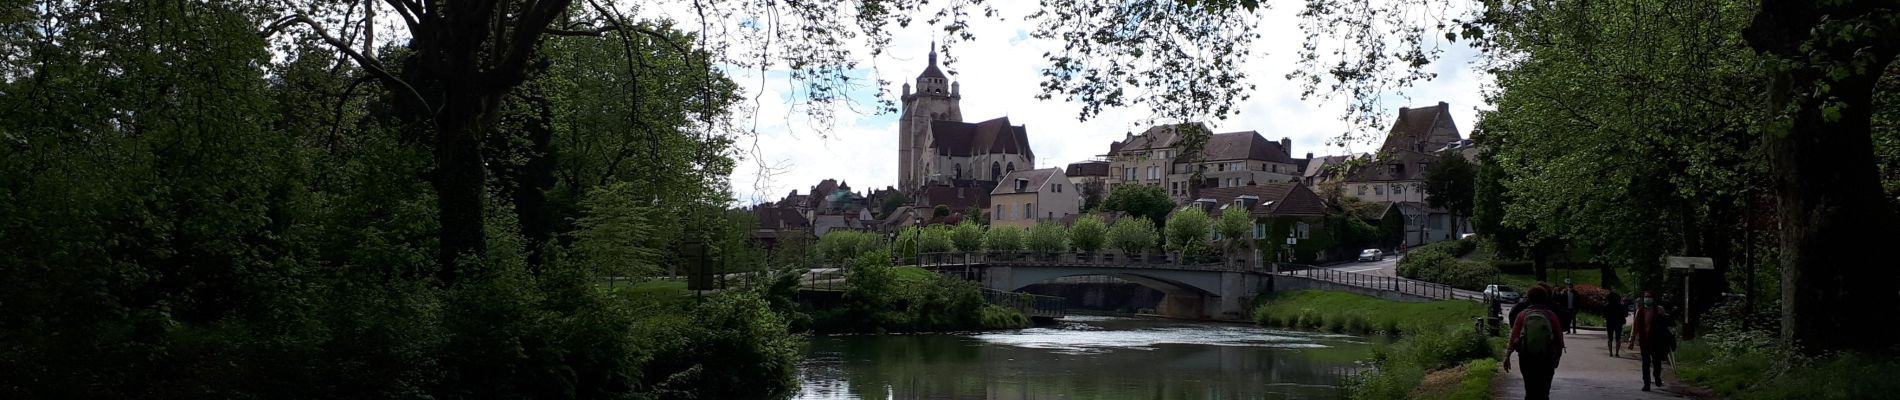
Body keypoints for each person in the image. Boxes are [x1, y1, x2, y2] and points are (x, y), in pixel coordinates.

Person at [1503, 285, 1566, 400]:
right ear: (1545, 298)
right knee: (1544, 391)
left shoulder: (1522, 315)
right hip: (1547, 357)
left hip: (1527, 357)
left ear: (1529, 298)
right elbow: (1558, 338)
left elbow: (1514, 337)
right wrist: (1557, 357)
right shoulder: (1551, 315)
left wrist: (1507, 356)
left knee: (1530, 389)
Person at [1631, 291, 1675, 391]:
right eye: (1646, 297)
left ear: (1653, 299)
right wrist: (1632, 340)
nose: (1647, 299)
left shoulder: (1659, 309)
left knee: (1657, 361)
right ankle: (1646, 383)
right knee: (1645, 362)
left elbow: (1666, 324)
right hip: (1644, 340)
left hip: (1656, 340)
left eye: (1649, 297)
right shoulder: (1640, 311)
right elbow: (1635, 326)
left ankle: (1657, 376)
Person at [1603, 290, 1628, 357]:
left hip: (1610, 323)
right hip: (1619, 323)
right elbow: (1625, 315)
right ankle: (1617, 353)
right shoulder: (1621, 306)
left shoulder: (1606, 306)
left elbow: (1604, 316)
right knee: (1618, 338)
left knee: (1610, 338)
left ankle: (1610, 353)